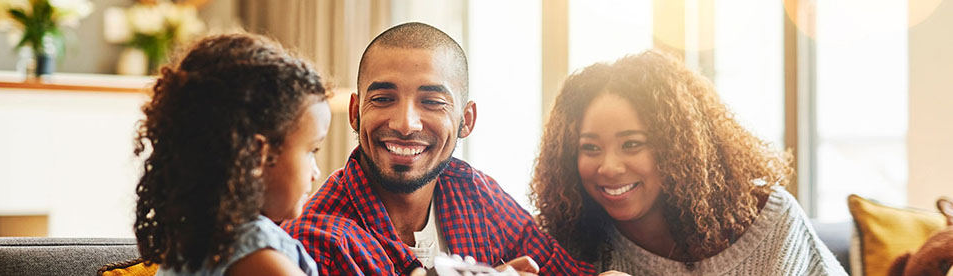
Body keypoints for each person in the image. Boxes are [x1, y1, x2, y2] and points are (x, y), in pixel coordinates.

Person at [281, 22, 597, 276]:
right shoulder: (317, 240)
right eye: (383, 99)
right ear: (355, 112)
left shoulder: (475, 193)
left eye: (432, 102)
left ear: (466, 120)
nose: (406, 125)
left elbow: (566, 270)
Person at [530, 50, 847, 275]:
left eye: (632, 144)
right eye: (590, 147)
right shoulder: (574, 243)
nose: (609, 167)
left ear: (678, 147)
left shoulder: (769, 220)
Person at [132, 33, 331, 276]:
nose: (316, 171)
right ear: (258, 154)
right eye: (311, 150)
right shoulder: (255, 256)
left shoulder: (196, 241)